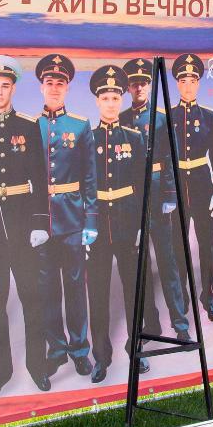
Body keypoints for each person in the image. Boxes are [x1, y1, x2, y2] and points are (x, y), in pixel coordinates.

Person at [0, 55, 53, 397]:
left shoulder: (28, 125)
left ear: (13, 88)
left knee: (32, 298)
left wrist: (40, 222)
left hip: (24, 222)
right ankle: (0, 374)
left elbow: (40, 175)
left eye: (5, 86)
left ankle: (37, 367)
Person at [85, 65, 163, 383]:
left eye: (115, 97)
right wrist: (84, 228)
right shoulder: (86, 139)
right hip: (98, 226)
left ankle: (137, 350)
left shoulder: (134, 138)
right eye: (105, 97)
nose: (111, 102)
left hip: (129, 224)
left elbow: (142, 187)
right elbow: (82, 188)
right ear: (97, 101)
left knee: (135, 290)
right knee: (98, 293)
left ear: (121, 99)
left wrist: (144, 225)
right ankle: (101, 357)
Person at [35, 54, 96, 378]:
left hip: (73, 220)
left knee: (75, 289)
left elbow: (90, 177)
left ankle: (79, 350)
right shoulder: (33, 127)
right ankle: (56, 349)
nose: (55, 87)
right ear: (42, 88)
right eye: (49, 83)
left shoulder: (80, 125)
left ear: (67, 87)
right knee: (46, 290)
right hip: (42, 223)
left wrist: (91, 221)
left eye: (60, 83)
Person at [119, 58, 185, 340]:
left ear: (149, 85)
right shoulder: (120, 119)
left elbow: (172, 157)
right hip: (133, 198)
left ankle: (180, 325)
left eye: (143, 82)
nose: (139, 88)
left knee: (167, 261)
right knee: (140, 263)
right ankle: (152, 324)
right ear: (128, 88)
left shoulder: (161, 118)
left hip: (158, 195)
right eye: (133, 84)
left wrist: (170, 194)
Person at [171, 54, 213, 322]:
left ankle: (208, 296)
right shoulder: (168, 116)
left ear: (199, 83)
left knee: (206, 246)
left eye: (193, 80)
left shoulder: (209, 116)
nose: (188, 85)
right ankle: (182, 296)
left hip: (203, 184)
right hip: (177, 186)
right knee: (179, 246)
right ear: (177, 84)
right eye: (183, 80)